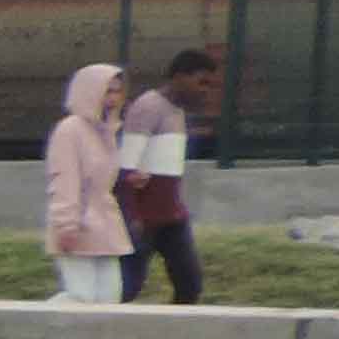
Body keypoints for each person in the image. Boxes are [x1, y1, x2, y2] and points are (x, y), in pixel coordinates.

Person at [121, 49, 216, 306]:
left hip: (172, 217)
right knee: (125, 289)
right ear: (179, 77)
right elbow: (127, 168)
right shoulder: (147, 108)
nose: (205, 91)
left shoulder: (178, 111)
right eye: (201, 82)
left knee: (190, 285)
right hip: (144, 219)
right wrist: (133, 216)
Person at [43, 62, 132, 307]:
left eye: (117, 91)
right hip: (78, 223)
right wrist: (66, 225)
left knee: (109, 299)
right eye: (107, 91)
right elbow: (65, 180)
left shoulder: (108, 132)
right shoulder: (70, 130)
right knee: (81, 297)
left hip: (105, 224)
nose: (113, 98)